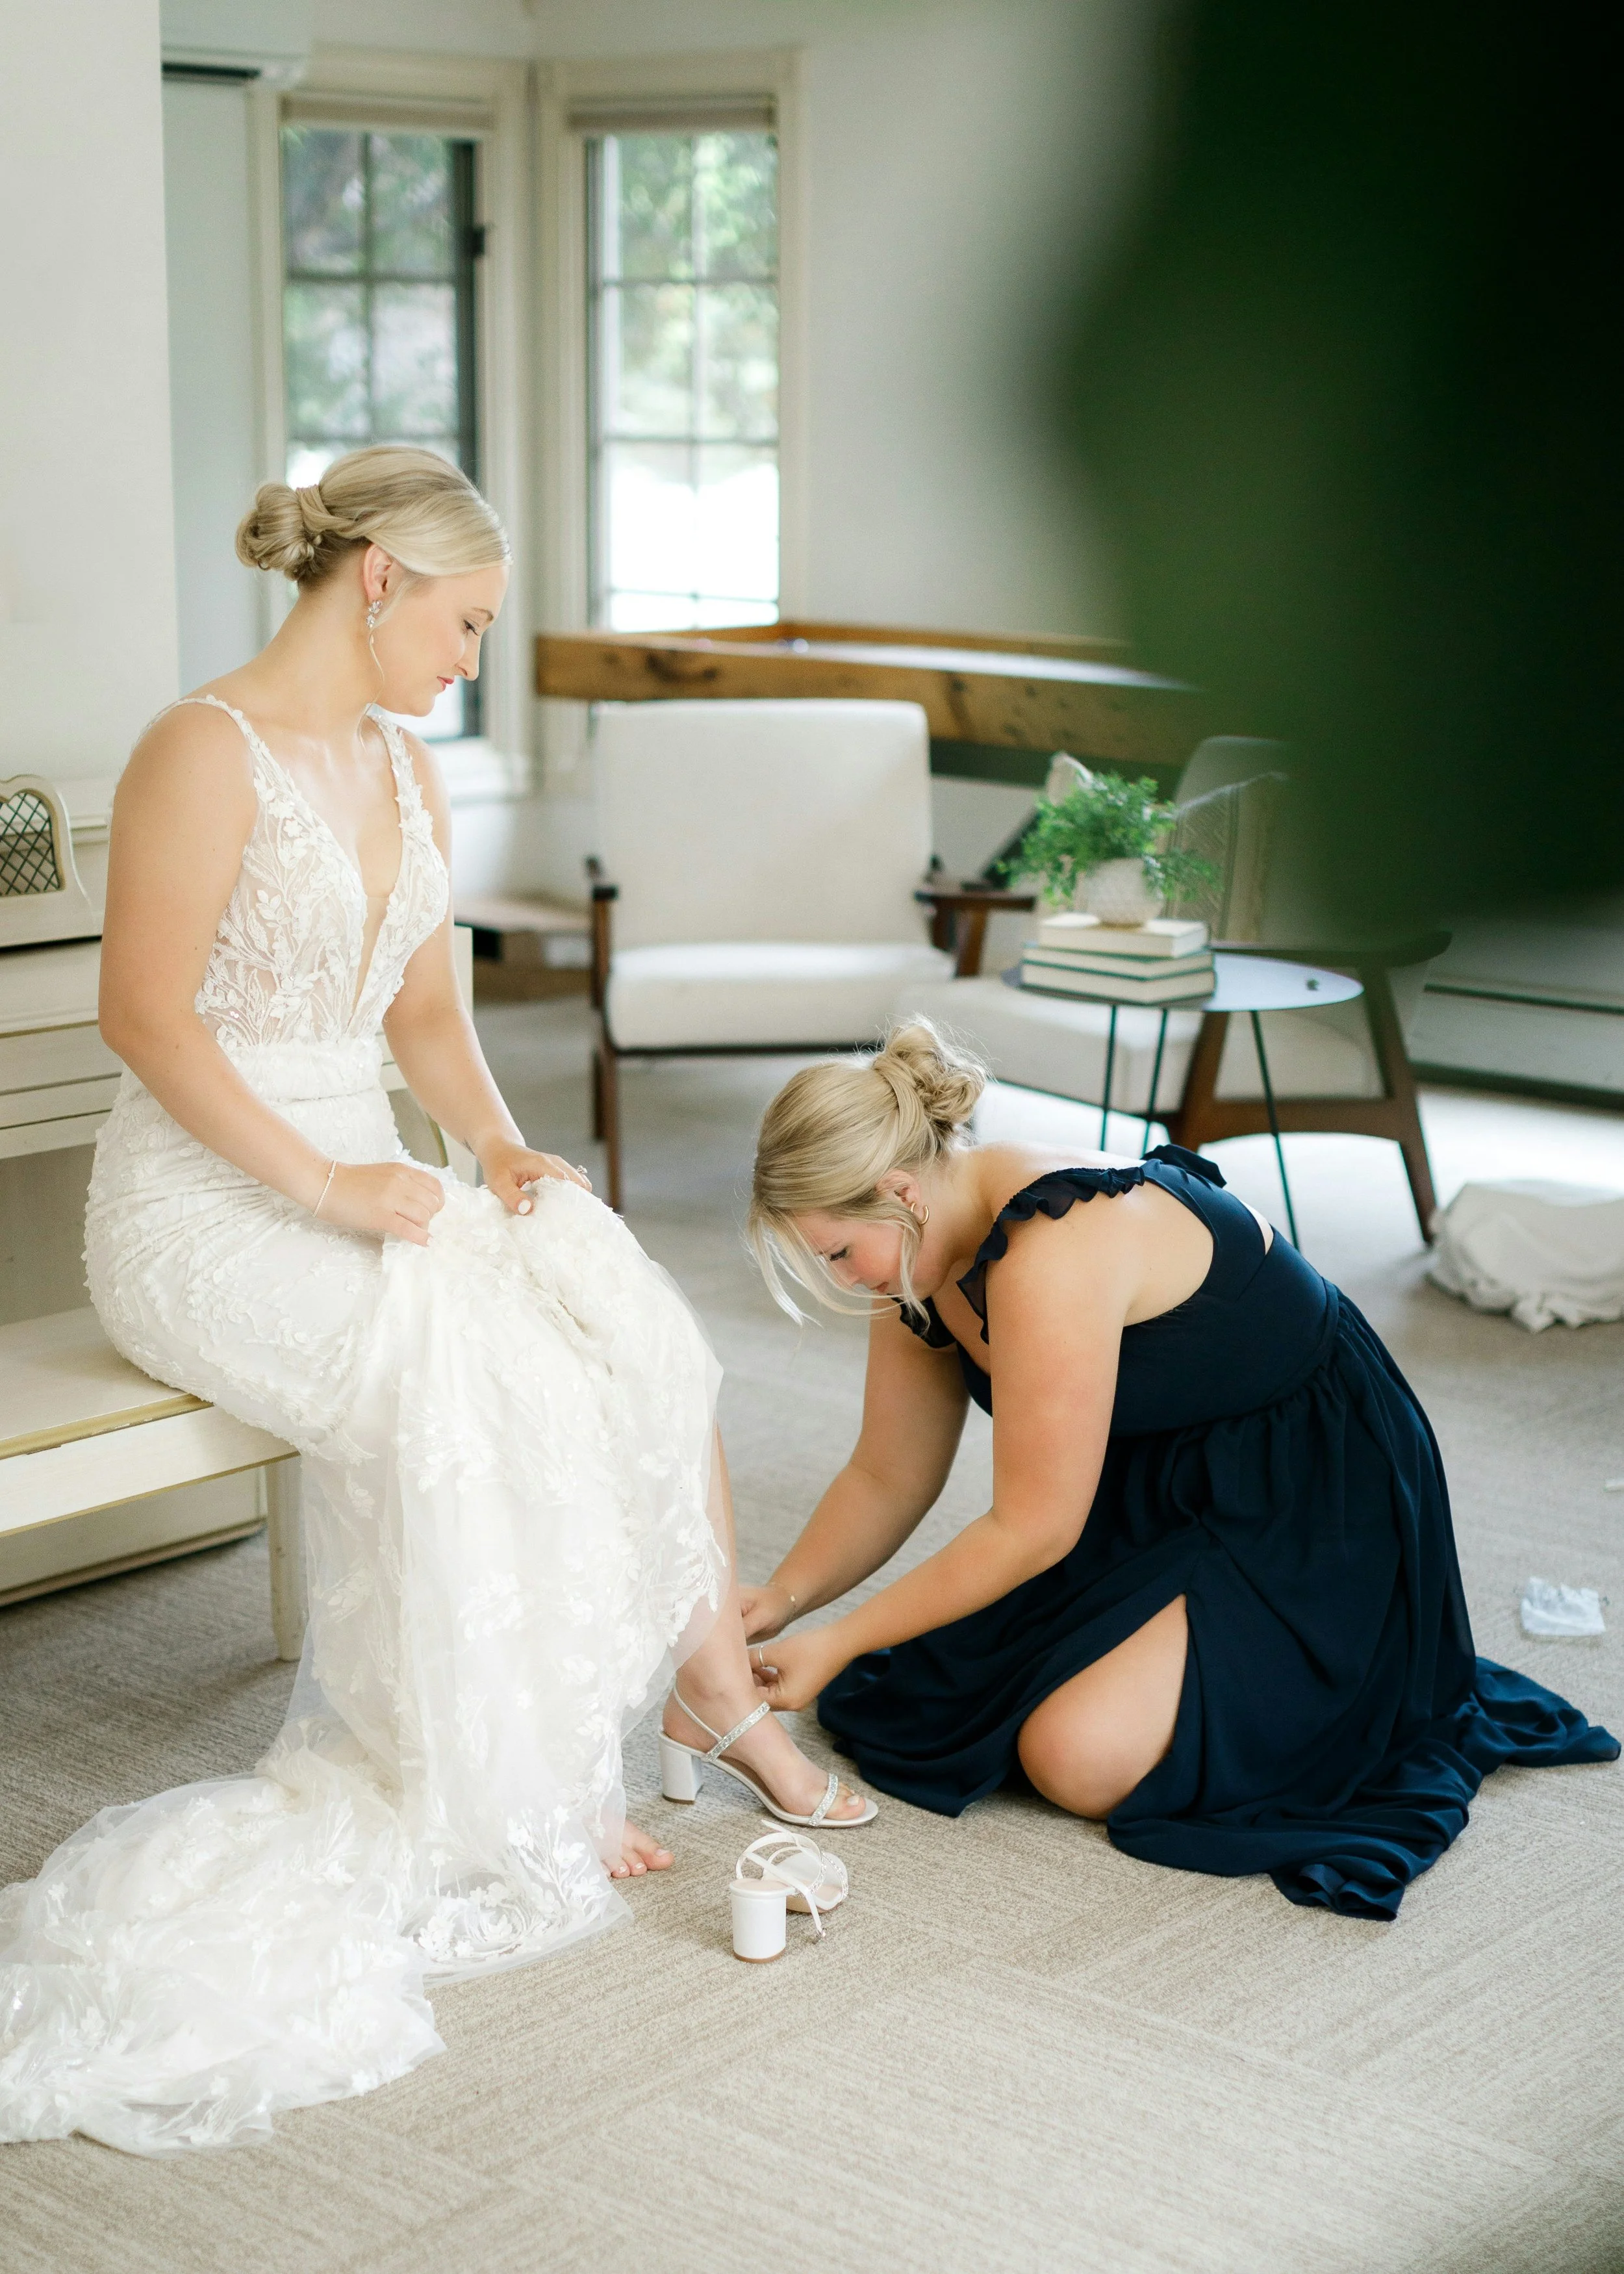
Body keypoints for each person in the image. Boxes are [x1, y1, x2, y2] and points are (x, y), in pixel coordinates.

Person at [0, 448, 869, 2158]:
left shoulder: (409, 768)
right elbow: (144, 1018)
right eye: (467, 621)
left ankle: (708, 1689)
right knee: (469, 1375)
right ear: (379, 578)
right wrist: (329, 1187)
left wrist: (503, 1148)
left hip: (376, 1175)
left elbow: (420, 1021)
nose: (473, 657)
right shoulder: (200, 745)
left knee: (620, 1313)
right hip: (205, 1200)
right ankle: (508, 1783)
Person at [739, 1019, 1617, 1919]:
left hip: (1306, 1490)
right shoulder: (916, 1262)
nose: (845, 1281)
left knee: (1075, 1754)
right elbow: (888, 1473)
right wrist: (785, 1598)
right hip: (1155, 1472)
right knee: (969, 1703)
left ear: (900, 1193)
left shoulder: (1056, 1242)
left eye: (840, 1252)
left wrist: (845, 1639)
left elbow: (1035, 1526)